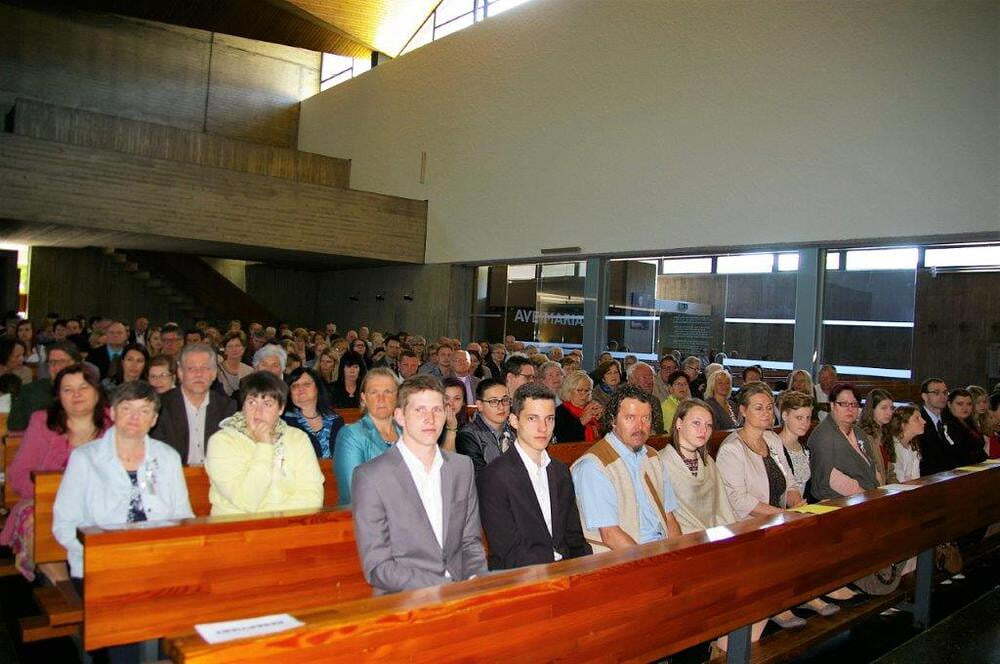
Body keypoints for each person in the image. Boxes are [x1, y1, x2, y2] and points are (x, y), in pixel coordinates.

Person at [351, 375, 488, 594]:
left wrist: (475, 581)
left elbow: (470, 542)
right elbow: (378, 567)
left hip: (462, 593)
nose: (430, 419)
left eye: (437, 410)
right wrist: (445, 588)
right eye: (419, 410)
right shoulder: (372, 477)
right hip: (404, 598)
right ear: (399, 416)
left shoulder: (462, 468)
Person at [53, 381, 193, 583]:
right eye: (127, 408)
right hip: (100, 563)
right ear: (112, 413)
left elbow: (182, 516)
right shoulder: (85, 458)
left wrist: (167, 554)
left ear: (154, 419)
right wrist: (100, 555)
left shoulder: (168, 457)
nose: (135, 417)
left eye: (144, 411)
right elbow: (65, 523)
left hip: (157, 559)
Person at [0, 365, 110, 581]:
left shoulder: (113, 421)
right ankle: (63, 588)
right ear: (59, 396)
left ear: (97, 391)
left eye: (83, 387)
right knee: (39, 523)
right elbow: (19, 473)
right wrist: (54, 497)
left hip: (100, 501)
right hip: (45, 500)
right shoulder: (42, 421)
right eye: (67, 390)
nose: (76, 395)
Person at [477, 383, 591, 569]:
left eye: (549, 419)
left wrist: (585, 572)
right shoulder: (494, 476)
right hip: (521, 576)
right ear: (514, 421)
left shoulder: (560, 471)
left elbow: (575, 538)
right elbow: (508, 551)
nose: (543, 428)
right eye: (532, 418)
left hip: (565, 572)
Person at [571, 384, 682, 552]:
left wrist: (679, 555)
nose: (640, 427)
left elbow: (669, 518)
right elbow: (610, 535)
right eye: (630, 418)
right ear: (613, 421)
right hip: (620, 558)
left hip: (659, 550)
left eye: (646, 418)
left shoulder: (653, 457)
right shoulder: (594, 465)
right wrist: (652, 563)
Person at [205, 371, 323, 515]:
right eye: (252, 402)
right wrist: (264, 447)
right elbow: (246, 501)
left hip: (290, 525)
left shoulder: (297, 438)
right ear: (243, 406)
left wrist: (276, 518)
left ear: (281, 409)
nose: (258, 411)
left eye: (267, 404)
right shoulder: (222, 442)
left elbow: (313, 497)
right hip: (237, 526)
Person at [717, 382, 804, 518]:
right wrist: (783, 514)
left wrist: (798, 506)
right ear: (743, 410)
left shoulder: (773, 439)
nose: (766, 413)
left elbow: (789, 482)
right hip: (746, 524)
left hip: (778, 519)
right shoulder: (731, 450)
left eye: (769, 408)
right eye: (759, 408)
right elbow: (739, 500)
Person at [150, 343, 237, 465]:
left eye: (205, 368)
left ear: (214, 373)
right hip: (174, 473)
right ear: (180, 373)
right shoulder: (161, 406)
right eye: (191, 368)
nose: (199, 374)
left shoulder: (227, 407)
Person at [659, 398, 737, 533]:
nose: (704, 430)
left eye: (709, 425)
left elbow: (723, 508)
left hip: (714, 536)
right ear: (679, 423)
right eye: (696, 423)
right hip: (681, 539)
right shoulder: (660, 462)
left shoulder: (708, 462)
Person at [333, 368, 401, 505]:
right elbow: (354, 492)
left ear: (397, 397)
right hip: (365, 514)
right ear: (364, 398)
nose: (381, 399)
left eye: (388, 392)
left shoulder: (407, 433)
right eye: (374, 392)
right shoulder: (351, 435)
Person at [807, 383, 880, 500]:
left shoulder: (859, 432)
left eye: (854, 404)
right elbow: (831, 477)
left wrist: (879, 491)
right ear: (832, 405)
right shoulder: (823, 435)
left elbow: (872, 466)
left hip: (869, 494)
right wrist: (867, 497)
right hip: (839, 500)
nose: (850, 409)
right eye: (844, 404)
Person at [7, 342, 81, 431]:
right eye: (52, 362)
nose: (57, 368)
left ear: (76, 364)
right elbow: (15, 429)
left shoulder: (88, 392)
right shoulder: (28, 392)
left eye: (62, 362)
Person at [282, 367, 345, 459]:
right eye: (295, 386)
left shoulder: (335, 420)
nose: (300, 389)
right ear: (289, 392)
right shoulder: (284, 422)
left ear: (317, 388)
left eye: (306, 384)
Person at [456, 378, 516, 473]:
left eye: (505, 400)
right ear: (480, 405)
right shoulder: (467, 436)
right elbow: (480, 476)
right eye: (493, 401)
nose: (501, 407)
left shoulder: (515, 430)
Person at [776, 390, 814, 502]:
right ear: (785, 416)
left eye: (808, 418)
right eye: (799, 418)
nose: (805, 423)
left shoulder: (805, 450)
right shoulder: (774, 448)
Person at [937, 388, 987, 468]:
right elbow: (956, 452)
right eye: (960, 404)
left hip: (977, 468)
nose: (965, 408)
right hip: (958, 470)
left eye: (969, 404)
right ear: (949, 404)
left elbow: (979, 449)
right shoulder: (946, 425)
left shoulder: (970, 422)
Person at [859, 388, 897, 485]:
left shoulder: (885, 433)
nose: (889, 413)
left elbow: (889, 472)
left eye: (891, 408)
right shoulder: (863, 436)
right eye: (884, 408)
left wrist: (899, 489)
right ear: (871, 410)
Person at [917, 377, 951, 476]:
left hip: (948, 474)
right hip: (927, 475)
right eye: (936, 393)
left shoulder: (949, 418)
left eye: (945, 393)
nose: (942, 396)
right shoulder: (918, 420)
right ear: (924, 396)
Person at [889, 405, 924, 482]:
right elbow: (898, 479)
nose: (924, 422)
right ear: (903, 424)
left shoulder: (913, 446)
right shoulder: (892, 447)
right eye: (917, 418)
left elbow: (916, 478)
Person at [217, 331, 254, 397]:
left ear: (244, 348)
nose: (234, 349)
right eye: (230, 346)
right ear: (225, 350)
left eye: (238, 346)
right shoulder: (216, 370)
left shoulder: (250, 371)